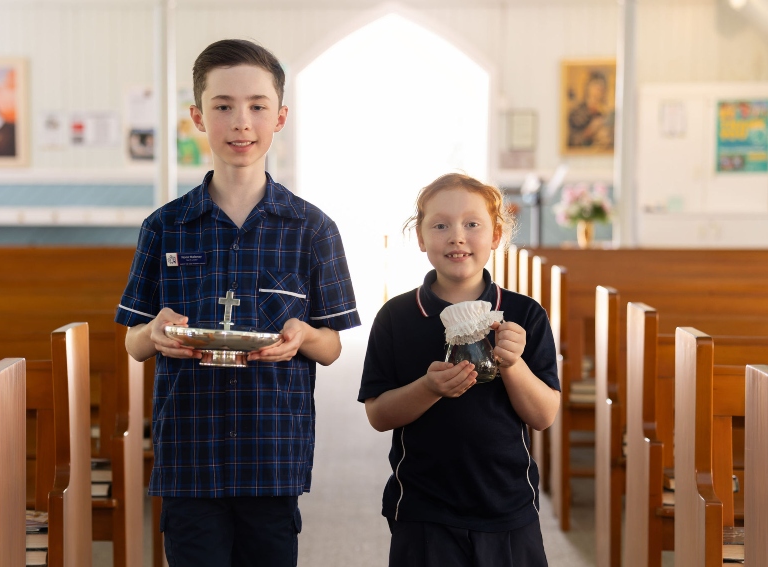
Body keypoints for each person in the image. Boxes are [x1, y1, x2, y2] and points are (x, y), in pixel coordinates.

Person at [115, 38, 360, 567]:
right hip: (189, 452)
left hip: (271, 451)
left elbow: (332, 346)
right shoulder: (163, 227)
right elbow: (134, 343)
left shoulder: (313, 229)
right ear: (198, 117)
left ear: (281, 117)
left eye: (257, 106)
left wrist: (300, 335)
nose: (240, 122)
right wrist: (153, 333)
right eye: (223, 106)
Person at [358, 173, 560, 567]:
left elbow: (543, 414)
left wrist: (513, 364)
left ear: (496, 235)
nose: (457, 236)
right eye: (440, 225)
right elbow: (379, 415)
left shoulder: (524, 314)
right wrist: (429, 389)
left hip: (507, 504)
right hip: (423, 506)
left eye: (472, 223)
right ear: (420, 237)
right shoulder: (396, 317)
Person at [567, 71, 614, 150]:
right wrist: (590, 130)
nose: (600, 90)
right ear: (588, 87)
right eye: (596, 85)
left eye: (602, 87)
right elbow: (572, 142)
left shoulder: (606, 114)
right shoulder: (577, 113)